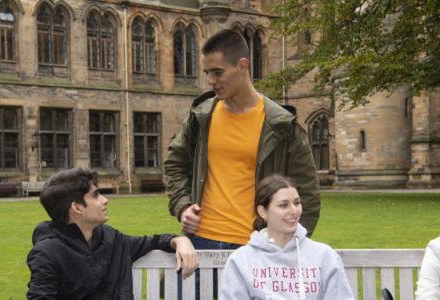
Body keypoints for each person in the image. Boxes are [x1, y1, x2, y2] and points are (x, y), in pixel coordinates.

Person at [164, 29, 321, 249]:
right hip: (199, 244)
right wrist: (182, 206)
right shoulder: (201, 117)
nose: (210, 80)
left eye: (217, 72)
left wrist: (286, 247)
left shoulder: (281, 125)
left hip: (256, 247)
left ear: (242, 65)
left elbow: (308, 195)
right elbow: (174, 164)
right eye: (207, 72)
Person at [26, 168, 198, 299]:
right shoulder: (47, 253)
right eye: (96, 196)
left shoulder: (112, 239)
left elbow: (153, 242)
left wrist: (179, 240)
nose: (105, 200)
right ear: (76, 208)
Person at [220, 175, 353, 300]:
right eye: (284, 205)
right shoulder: (241, 261)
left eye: (297, 203)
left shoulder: (324, 256)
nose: (294, 211)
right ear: (263, 212)